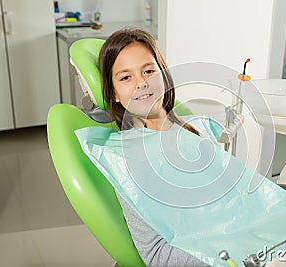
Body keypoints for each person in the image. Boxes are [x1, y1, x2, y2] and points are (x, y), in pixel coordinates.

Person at [98, 28, 211, 267]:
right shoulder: (131, 163)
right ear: (115, 94)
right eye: (126, 77)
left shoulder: (189, 131)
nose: (141, 83)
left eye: (148, 71)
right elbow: (157, 255)